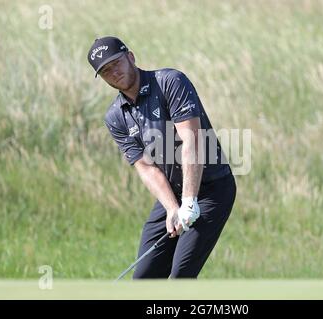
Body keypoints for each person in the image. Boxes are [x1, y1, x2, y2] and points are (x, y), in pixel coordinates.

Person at [87, 36, 236, 278]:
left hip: (212, 188)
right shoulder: (115, 116)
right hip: (173, 192)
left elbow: (192, 141)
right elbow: (146, 167)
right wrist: (171, 208)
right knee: (144, 278)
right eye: (105, 71)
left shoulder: (170, 82)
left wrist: (189, 201)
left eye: (115, 63)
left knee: (181, 277)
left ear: (131, 57)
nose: (113, 72)